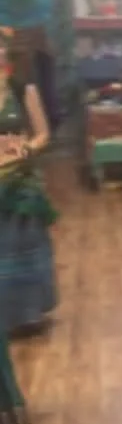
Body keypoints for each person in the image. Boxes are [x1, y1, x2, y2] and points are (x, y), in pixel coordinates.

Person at [0, 32, 57, 335]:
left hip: (20, 182)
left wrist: (24, 150)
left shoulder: (23, 89)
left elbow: (43, 134)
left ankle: (27, 312)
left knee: (21, 244)